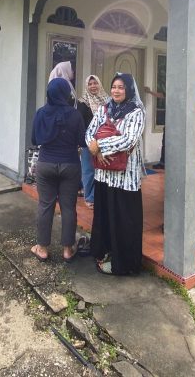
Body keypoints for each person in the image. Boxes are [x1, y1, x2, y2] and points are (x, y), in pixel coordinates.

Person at [86, 73, 145, 275]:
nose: (116, 91)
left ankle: (124, 263)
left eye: (121, 87)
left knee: (124, 220)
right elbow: (89, 132)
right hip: (104, 175)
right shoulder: (105, 109)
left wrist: (100, 146)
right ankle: (104, 252)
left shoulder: (136, 112)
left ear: (128, 90)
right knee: (106, 217)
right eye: (114, 87)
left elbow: (129, 139)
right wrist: (95, 148)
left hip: (124, 177)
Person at [30, 78, 87, 262]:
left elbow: (34, 139)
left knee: (45, 206)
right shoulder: (75, 115)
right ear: (66, 93)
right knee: (68, 208)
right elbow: (82, 141)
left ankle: (42, 249)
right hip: (70, 164)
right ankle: (68, 250)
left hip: (46, 164)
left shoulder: (40, 113)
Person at [77, 75, 107, 209]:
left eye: (95, 83)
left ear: (99, 84)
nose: (93, 86)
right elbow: (79, 124)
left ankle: (100, 195)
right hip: (88, 142)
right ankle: (89, 196)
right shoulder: (82, 102)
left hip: (105, 141)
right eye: (90, 84)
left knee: (102, 169)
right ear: (86, 86)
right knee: (88, 170)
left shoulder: (107, 101)